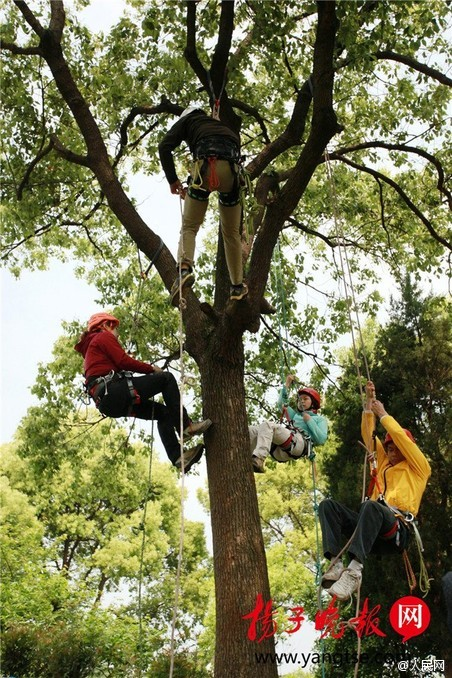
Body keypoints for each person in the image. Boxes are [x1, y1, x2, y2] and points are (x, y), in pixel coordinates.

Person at [318, 380, 431, 601]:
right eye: (388, 448)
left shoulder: (418, 468)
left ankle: (354, 571)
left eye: (395, 448)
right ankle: (335, 562)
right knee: (328, 506)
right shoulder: (384, 465)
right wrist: (369, 406)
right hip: (370, 526)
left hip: (397, 528)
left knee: (371, 506)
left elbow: (402, 440)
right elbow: (369, 436)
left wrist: (384, 415)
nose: (390, 451)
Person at [74, 312, 212, 472]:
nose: (117, 334)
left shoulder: (92, 350)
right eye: (115, 329)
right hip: (114, 391)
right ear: (106, 325)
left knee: (163, 414)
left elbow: (113, 366)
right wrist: (152, 369)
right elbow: (123, 361)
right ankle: (186, 426)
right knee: (166, 379)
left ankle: (178, 457)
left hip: (109, 403)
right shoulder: (102, 337)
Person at [158, 106, 248, 304]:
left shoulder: (187, 121)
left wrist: (173, 180)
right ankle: (237, 286)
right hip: (232, 175)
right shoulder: (220, 126)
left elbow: (164, 147)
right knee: (231, 233)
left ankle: (184, 269)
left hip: (205, 170)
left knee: (189, 226)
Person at [250, 374, 328, 473]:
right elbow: (281, 404)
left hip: (299, 444)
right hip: (280, 449)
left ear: (313, 403)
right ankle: (246, 458)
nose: (301, 401)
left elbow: (321, 439)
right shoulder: (295, 416)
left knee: (268, 425)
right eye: (299, 399)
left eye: (305, 399)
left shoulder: (319, 419)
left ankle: (258, 459)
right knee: (251, 430)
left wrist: (309, 421)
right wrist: (287, 384)